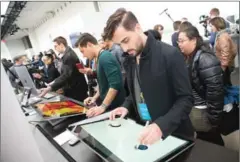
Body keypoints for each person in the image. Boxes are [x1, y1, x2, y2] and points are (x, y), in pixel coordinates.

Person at [104, 8, 194, 145]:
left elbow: (186, 99)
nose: (124, 48)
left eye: (126, 40)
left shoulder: (170, 54)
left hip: (173, 136)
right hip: (143, 132)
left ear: (138, 28)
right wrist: (126, 106)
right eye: (120, 44)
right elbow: (137, 90)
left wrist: (161, 126)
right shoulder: (130, 58)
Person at [178, 25, 224, 145]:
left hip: (204, 111)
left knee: (210, 140)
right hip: (197, 109)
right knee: (205, 138)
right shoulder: (189, 57)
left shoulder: (205, 59)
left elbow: (216, 91)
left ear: (193, 40)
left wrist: (214, 118)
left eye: (182, 41)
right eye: (178, 41)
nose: (179, 44)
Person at [75, 33, 126, 117]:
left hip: (116, 107)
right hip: (110, 105)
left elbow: (115, 85)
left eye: (82, 51)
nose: (83, 56)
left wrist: (102, 107)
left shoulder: (105, 57)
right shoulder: (100, 58)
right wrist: (94, 97)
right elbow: (104, 83)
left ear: (89, 44)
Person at [209, 17, 239, 136]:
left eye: (211, 25)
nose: (210, 28)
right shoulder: (222, 35)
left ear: (216, 25)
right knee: (226, 87)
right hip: (224, 67)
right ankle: (230, 106)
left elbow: (226, 54)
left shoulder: (222, 37)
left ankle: (230, 107)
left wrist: (221, 68)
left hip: (223, 68)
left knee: (226, 88)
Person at [39, 36, 88, 102]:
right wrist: (54, 82)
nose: (55, 48)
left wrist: (50, 87)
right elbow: (64, 74)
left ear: (61, 45)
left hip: (76, 90)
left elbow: (66, 75)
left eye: (55, 46)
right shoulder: (66, 55)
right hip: (74, 88)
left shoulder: (69, 56)